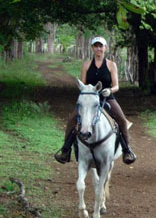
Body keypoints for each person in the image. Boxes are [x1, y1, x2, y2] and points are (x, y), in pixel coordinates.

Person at [54, 36, 137, 165]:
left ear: (105, 48)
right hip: (89, 99)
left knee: (121, 118)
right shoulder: (86, 65)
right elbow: (83, 85)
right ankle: (65, 150)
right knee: (72, 119)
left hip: (107, 97)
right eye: (96, 46)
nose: (98, 48)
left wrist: (110, 90)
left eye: (101, 46)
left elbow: (116, 86)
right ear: (92, 48)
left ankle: (127, 150)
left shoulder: (111, 65)